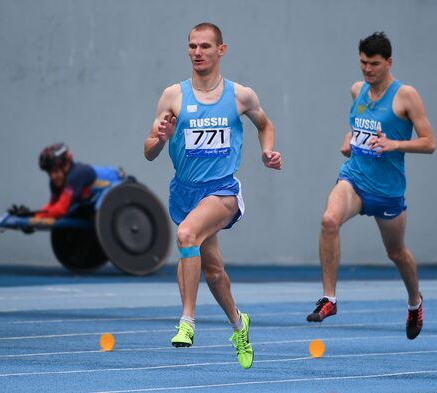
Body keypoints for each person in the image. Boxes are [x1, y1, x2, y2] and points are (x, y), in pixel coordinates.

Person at [144, 23, 282, 369]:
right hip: (186, 192)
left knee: (186, 234)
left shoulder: (240, 95)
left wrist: (267, 152)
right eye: (192, 46)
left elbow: (265, 124)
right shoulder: (173, 96)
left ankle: (187, 321)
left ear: (221, 50)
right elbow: (147, 151)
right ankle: (239, 323)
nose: (197, 52)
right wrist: (161, 137)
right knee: (214, 272)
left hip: (222, 191)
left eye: (205, 46)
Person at [306, 32, 435, 340]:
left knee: (396, 252)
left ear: (388, 62)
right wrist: (348, 141)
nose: (367, 70)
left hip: (387, 189)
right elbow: (357, 126)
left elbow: (429, 143)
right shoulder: (357, 90)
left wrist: (394, 144)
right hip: (355, 177)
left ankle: (415, 301)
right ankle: (329, 298)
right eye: (363, 62)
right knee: (328, 220)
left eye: (374, 64)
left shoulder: (406, 96)